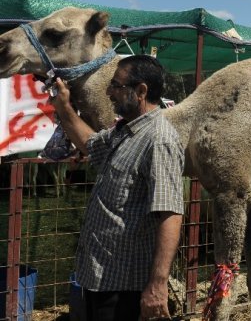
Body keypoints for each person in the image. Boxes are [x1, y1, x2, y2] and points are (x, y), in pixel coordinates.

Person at [49, 55, 184, 320]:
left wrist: (157, 286)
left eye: (116, 86)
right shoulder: (123, 131)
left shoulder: (159, 140)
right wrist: (63, 106)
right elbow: (90, 144)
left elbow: (170, 214)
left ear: (141, 91)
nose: (109, 92)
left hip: (126, 287)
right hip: (100, 277)